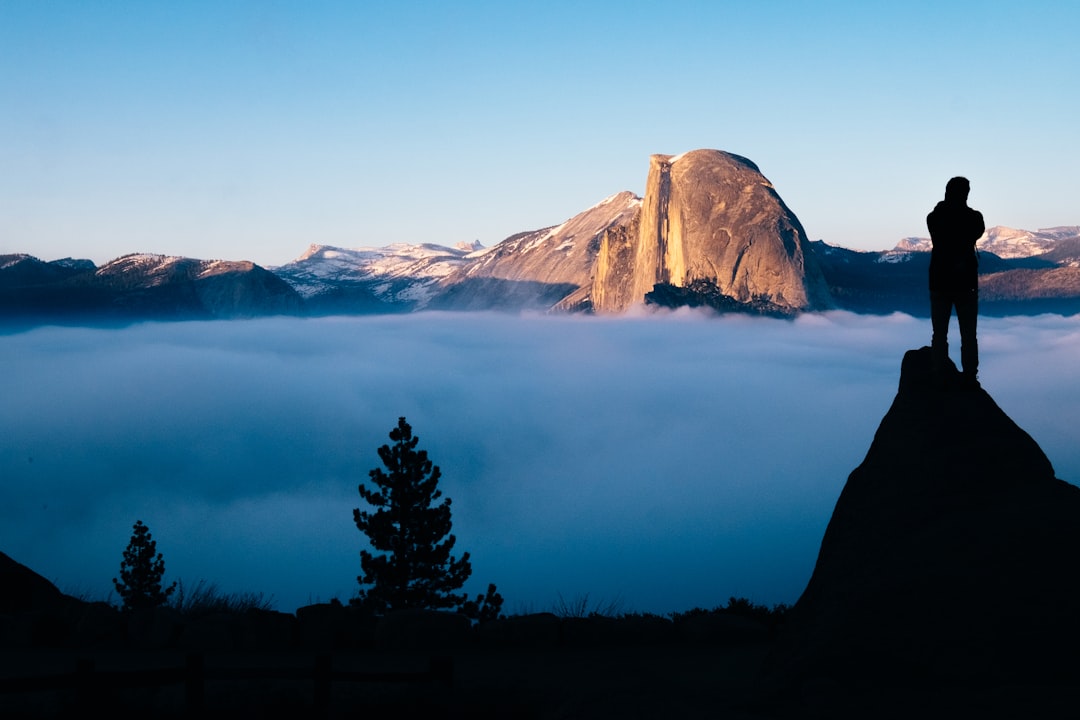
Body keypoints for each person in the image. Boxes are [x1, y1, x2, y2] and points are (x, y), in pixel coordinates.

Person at [926, 176, 985, 387]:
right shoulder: (974, 218)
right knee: (969, 333)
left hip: (939, 281)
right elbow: (977, 231)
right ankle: (970, 375)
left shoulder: (934, 217)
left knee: (939, 332)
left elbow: (935, 224)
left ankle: (939, 372)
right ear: (965, 193)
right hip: (965, 282)